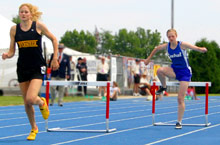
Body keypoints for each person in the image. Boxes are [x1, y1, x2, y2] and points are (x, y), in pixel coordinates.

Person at [2, 3, 59, 140]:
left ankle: (41, 102)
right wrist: (6, 55)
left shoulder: (38, 26)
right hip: (22, 67)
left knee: (31, 98)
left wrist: (55, 57)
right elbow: (12, 51)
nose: (23, 14)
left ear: (31, 14)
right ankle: (34, 128)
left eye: (26, 12)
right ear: (19, 14)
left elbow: (54, 39)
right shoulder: (14, 29)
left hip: (37, 67)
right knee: (26, 102)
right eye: (21, 12)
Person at [145, 29, 207, 129]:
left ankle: (179, 122)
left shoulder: (182, 45)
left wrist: (201, 49)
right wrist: (148, 59)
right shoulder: (166, 46)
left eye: (172, 36)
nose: (171, 38)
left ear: (176, 36)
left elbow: (194, 47)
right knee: (160, 71)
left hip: (184, 73)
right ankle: (164, 87)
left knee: (180, 98)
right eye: (169, 37)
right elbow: (156, 49)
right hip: (174, 70)